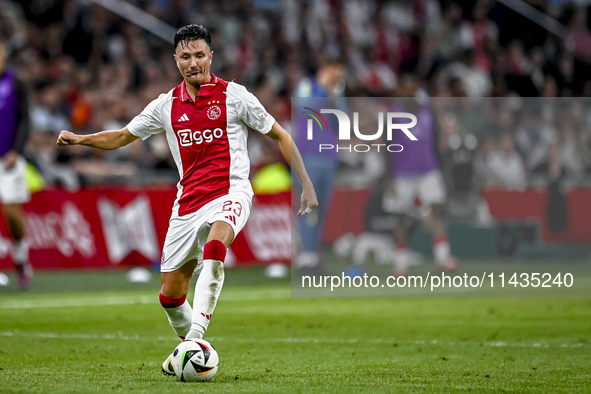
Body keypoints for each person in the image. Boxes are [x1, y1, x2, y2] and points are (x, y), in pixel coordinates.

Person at [56, 25, 318, 374]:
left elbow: (280, 135)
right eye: (185, 56)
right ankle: (191, 351)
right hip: (187, 203)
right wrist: (80, 139)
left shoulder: (235, 96)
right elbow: (121, 137)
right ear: (175, 60)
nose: (192, 63)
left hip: (231, 191)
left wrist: (306, 183)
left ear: (211, 56)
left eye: (199, 55)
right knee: (170, 297)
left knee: (215, 247)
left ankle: (196, 338)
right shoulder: (166, 105)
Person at [383, 76, 458, 276]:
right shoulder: (393, 115)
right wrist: (387, 178)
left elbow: (435, 144)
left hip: (428, 170)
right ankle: (400, 263)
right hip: (402, 172)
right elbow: (387, 148)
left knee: (436, 211)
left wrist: (440, 170)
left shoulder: (428, 113)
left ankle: (442, 256)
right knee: (399, 216)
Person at [293, 61, 344, 269]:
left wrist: (334, 98)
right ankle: (305, 254)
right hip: (307, 157)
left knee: (322, 208)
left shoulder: (336, 93)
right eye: (336, 73)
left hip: (329, 158)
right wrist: (324, 90)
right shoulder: (307, 85)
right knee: (307, 206)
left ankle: (314, 253)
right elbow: (303, 108)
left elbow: (341, 121)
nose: (338, 78)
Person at [0, 41, 33, 290]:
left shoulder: (16, 83)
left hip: (9, 159)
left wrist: (16, 150)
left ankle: (21, 261)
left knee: (12, 215)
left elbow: (25, 119)